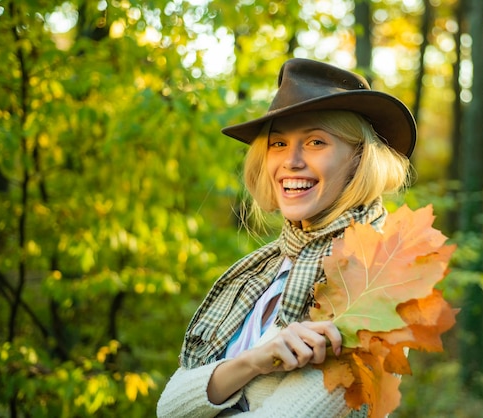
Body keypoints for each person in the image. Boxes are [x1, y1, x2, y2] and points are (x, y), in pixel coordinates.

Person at [157, 58, 417, 417]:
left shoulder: (374, 273)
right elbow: (170, 407)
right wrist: (255, 360)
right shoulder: (266, 269)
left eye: (315, 141)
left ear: (359, 159)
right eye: (278, 144)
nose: (291, 161)